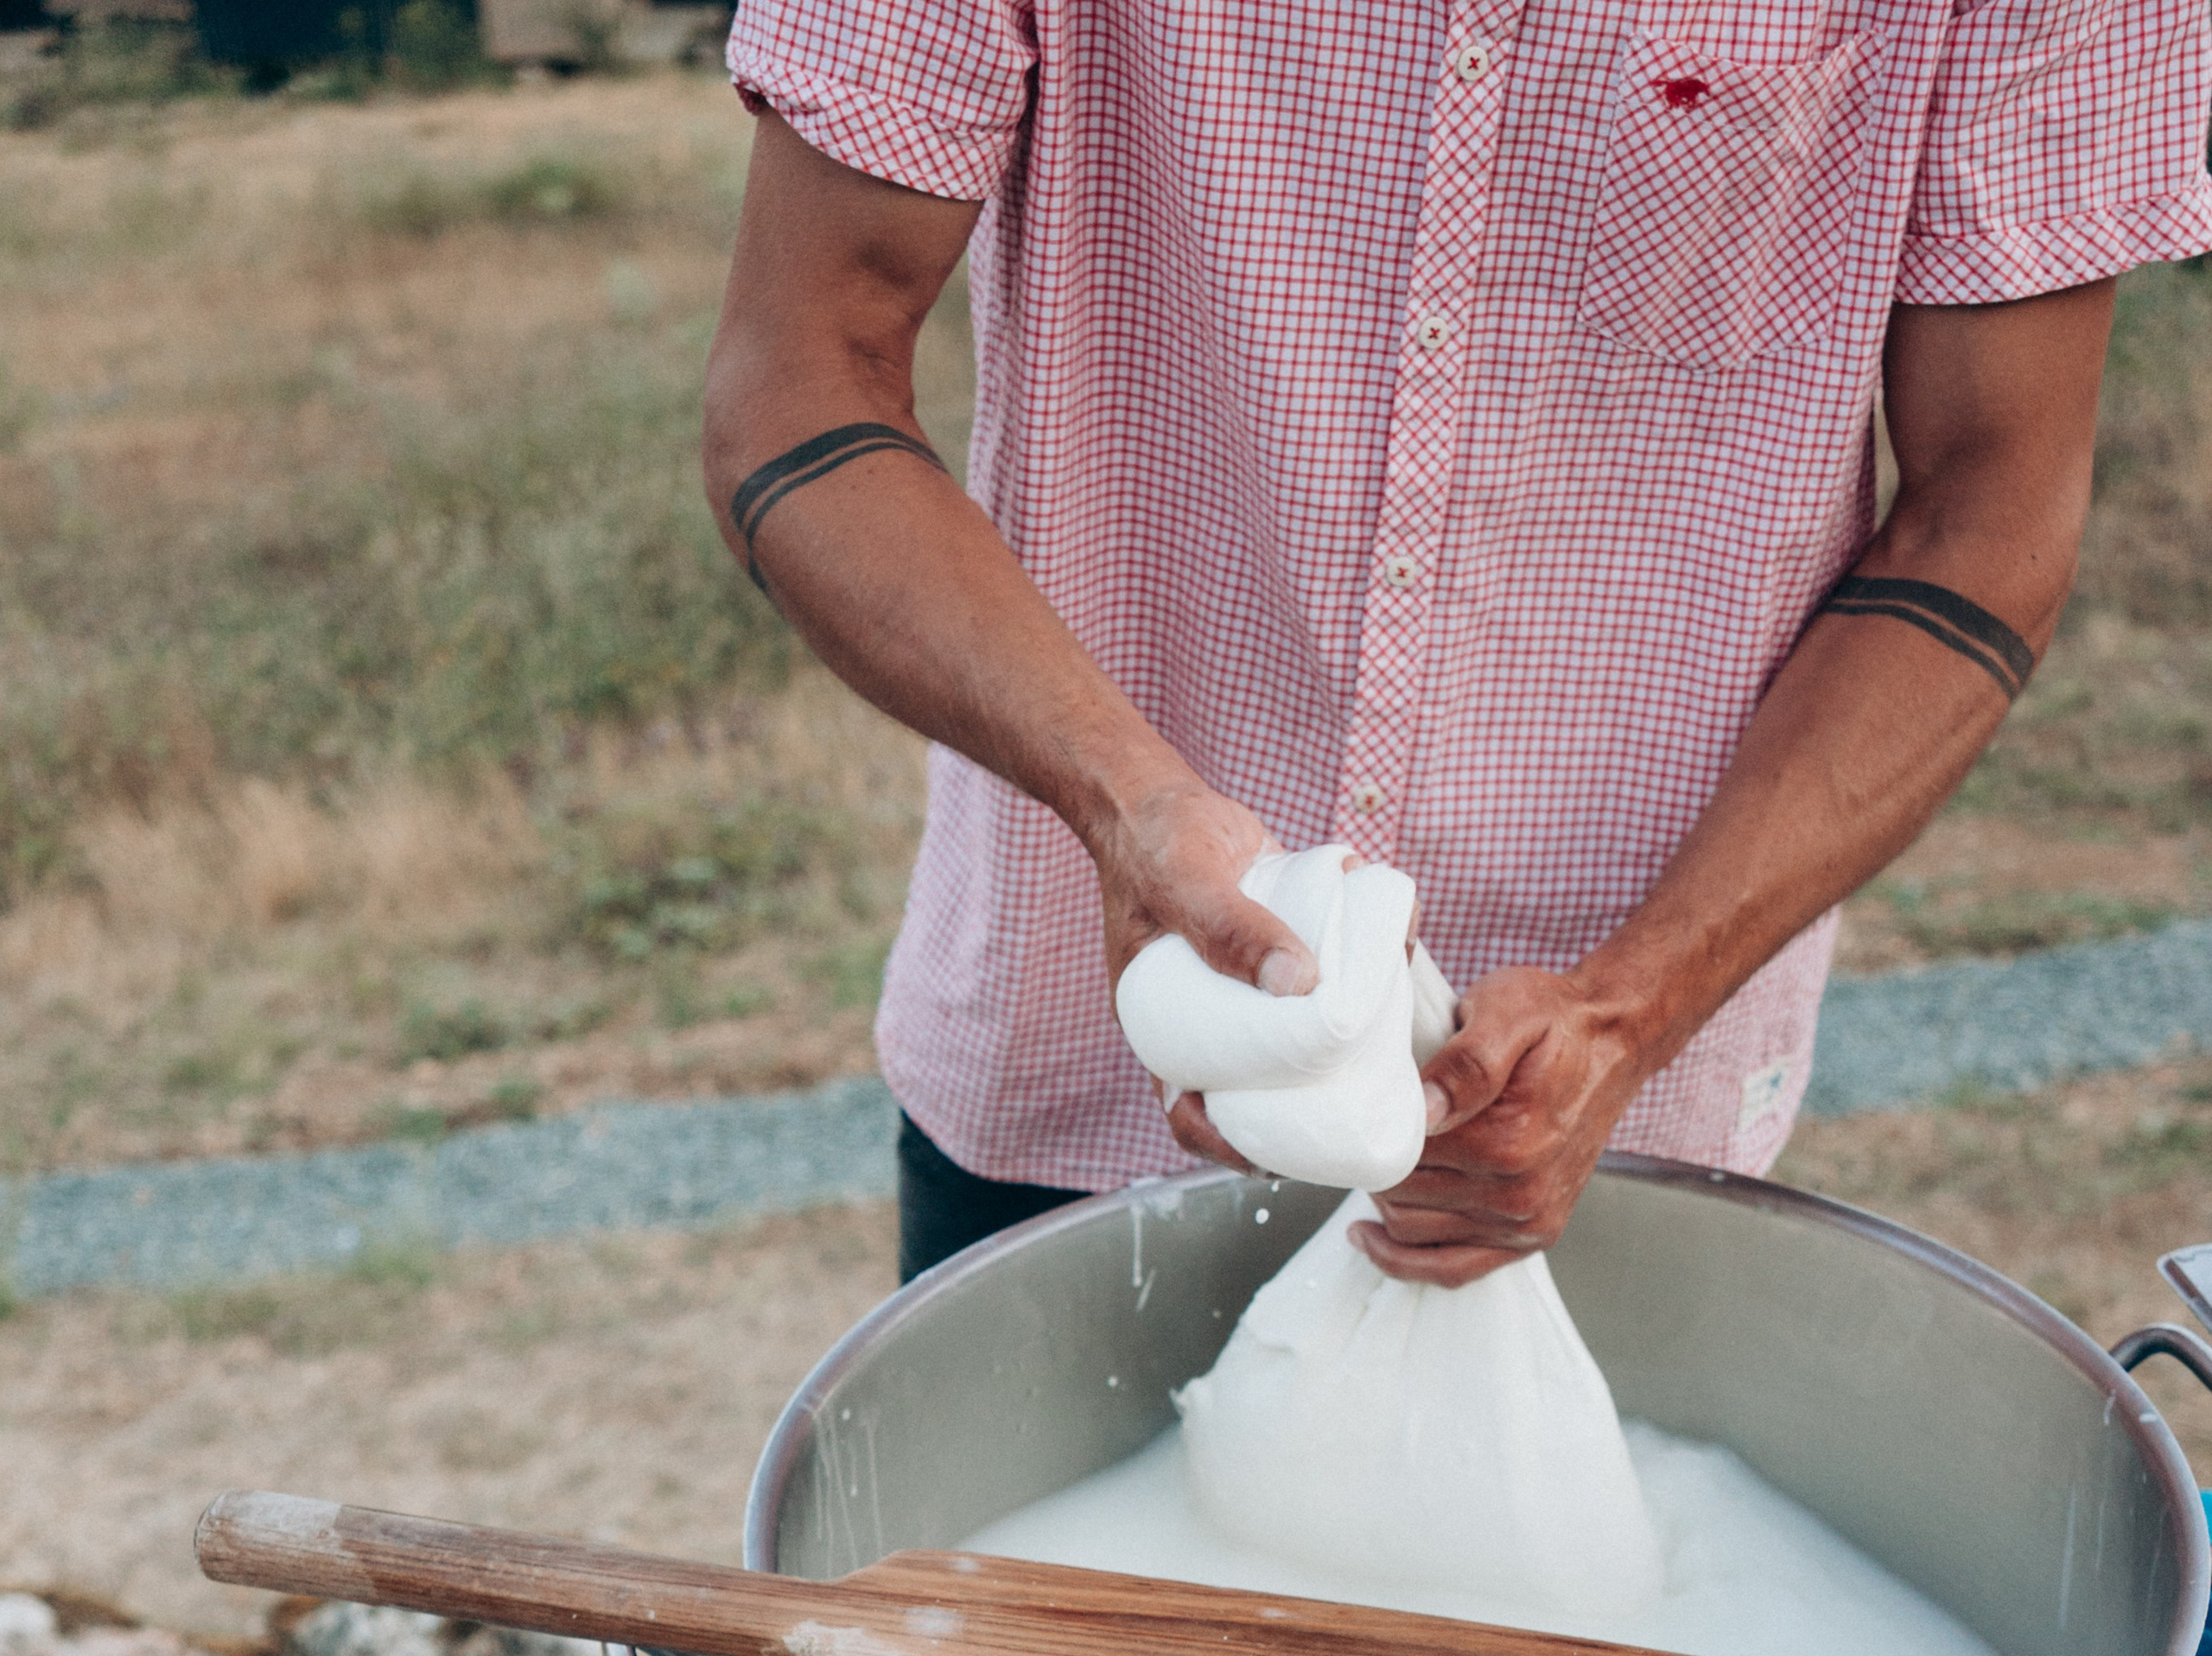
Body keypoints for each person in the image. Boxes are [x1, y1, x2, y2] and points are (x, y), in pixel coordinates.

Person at [703, 5, 2212, 1284]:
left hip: (1617, 1114)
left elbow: (1990, 508)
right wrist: (1121, 798)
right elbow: (800, 378)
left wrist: (1633, 1007)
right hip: (1072, 1056)